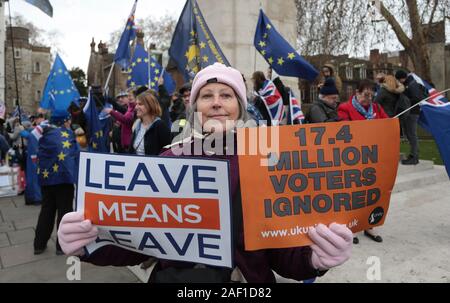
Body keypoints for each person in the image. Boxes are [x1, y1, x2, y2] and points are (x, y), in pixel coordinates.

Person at [58, 63, 353, 283]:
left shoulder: (267, 160)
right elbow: (138, 244)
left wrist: (314, 257)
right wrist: (90, 244)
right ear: (194, 108)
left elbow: (278, 250)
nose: (216, 102)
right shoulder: (168, 159)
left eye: (226, 95)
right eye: (206, 95)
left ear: (240, 106)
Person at [338, 80, 388, 244]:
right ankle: (350, 226)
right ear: (357, 93)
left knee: (370, 192)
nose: (368, 99)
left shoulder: (377, 108)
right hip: (352, 158)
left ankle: (368, 225)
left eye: (371, 95)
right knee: (352, 193)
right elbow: (343, 131)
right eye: (365, 95)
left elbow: (386, 124)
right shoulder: (345, 108)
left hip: (371, 158)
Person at [33, 111, 79, 255]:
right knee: (65, 212)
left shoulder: (43, 133)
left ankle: (39, 245)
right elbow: (76, 154)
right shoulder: (68, 134)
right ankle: (61, 246)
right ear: (65, 121)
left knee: (46, 211)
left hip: (46, 179)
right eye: (69, 120)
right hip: (64, 179)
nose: (70, 123)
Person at [395, 70, 428, 165]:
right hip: (409, 112)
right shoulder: (408, 83)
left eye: (398, 79)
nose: (398, 82)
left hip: (412, 113)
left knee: (411, 134)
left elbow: (417, 98)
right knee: (410, 134)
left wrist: (406, 101)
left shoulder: (411, 84)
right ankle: (413, 155)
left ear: (401, 78)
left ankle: (414, 157)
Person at [129, 90, 171, 156]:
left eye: (140, 104)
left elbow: (168, 151)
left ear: (150, 105)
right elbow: (131, 150)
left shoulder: (160, 126)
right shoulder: (137, 125)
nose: (136, 107)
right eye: (136, 104)